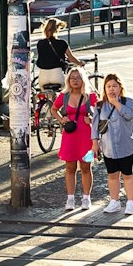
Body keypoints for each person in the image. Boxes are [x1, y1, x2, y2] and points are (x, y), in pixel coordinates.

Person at [52, 68, 97, 210]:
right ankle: (70, 198)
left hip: (86, 136)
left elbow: (100, 113)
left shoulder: (91, 97)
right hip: (70, 136)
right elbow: (53, 109)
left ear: (83, 79)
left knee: (86, 166)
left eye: (78, 78)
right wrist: (61, 119)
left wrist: (91, 118)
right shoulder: (63, 96)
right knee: (70, 167)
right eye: (72, 78)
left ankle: (86, 198)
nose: (75, 80)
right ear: (68, 80)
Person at [96, 73, 133, 214]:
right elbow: (95, 125)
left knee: (127, 174)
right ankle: (114, 201)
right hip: (108, 146)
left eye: (114, 86)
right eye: (108, 86)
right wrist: (94, 143)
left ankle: (131, 202)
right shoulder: (100, 105)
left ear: (120, 88)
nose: (111, 89)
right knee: (112, 174)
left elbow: (130, 115)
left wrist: (116, 104)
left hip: (125, 145)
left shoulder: (128, 101)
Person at [35, 18, 71, 90]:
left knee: (44, 94)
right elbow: (71, 58)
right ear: (57, 29)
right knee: (67, 90)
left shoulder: (40, 43)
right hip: (57, 76)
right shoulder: (62, 43)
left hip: (43, 77)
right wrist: (80, 63)